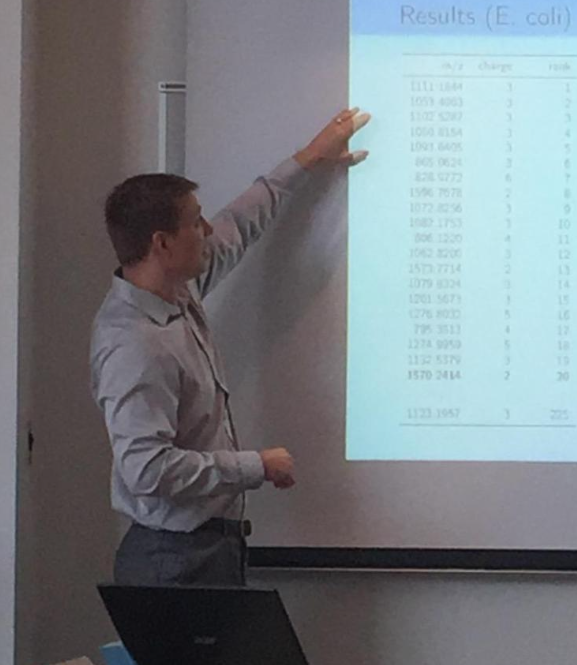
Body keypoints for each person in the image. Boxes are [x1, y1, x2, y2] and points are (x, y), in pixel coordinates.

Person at [90, 108, 370, 587]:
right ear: (162, 243)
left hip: (198, 551)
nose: (206, 230)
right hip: (172, 562)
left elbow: (240, 222)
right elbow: (145, 469)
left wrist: (310, 157)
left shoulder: (178, 292)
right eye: (194, 223)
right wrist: (255, 466)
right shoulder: (135, 343)